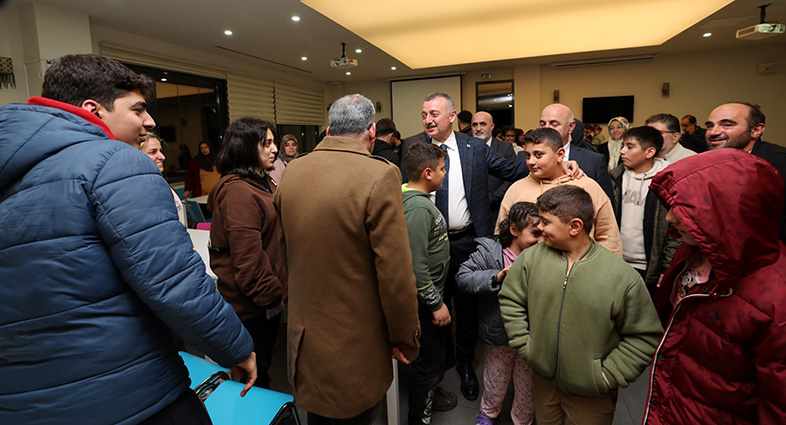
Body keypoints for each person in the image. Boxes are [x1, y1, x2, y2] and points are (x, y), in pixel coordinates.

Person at [0, 53, 256, 424]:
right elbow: (175, 282)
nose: (149, 121)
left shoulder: (14, 171)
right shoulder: (115, 162)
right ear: (93, 109)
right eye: (137, 109)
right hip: (130, 394)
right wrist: (235, 347)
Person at [274, 94, 420, 424]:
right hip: (355, 343)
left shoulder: (292, 171)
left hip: (304, 339)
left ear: (329, 130)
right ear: (372, 131)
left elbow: (285, 250)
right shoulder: (379, 175)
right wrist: (404, 337)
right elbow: (395, 275)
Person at [643, 148, 786, 424]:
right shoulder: (694, 251)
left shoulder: (776, 299)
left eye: (688, 211)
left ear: (727, 213)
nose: (670, 218)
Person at [499, 185, 662, 425]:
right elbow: (511, 299)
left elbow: (644, 336)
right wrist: (526, 346)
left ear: (574, 226)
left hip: (592, 397)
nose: (540, 227)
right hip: (544, 385)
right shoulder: (531, 259)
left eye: (546, 222)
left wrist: (605, 376)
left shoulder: (621, 277)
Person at [403, 92, 528, 401]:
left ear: (452, 116)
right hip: (429, 244)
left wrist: (559, 161)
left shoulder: (474, 147)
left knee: (468, 307)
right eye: (424, 114)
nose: (428, 120)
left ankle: (465, 363)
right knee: (434, 302)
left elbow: (513, 171)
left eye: (434, 114)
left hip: (467, 240)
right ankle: (441, 360)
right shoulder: (412, 146)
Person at [208, 117, 287, 390]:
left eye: (274, 142)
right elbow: (248, 264)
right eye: (267, 144)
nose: (274, 149)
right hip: (254, 309)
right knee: (253, 380)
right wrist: (274, 298)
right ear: (245, 148)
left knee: (260, 370)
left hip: (263, 305)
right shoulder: (239, 191)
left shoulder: (259, 181)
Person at [456, 202, 542, 425]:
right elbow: (463, 276)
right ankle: (487, 415)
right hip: (498, 334)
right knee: (495, 380)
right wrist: (496, 277)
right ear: (514, 230)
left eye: (543, 234)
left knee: (527, 386)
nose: (541, 240)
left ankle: (522, 420)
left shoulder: (544, 255)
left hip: (531, 337)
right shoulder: (490, 252)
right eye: (535, 233)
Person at [497, 128, 622, 257]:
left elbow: (609, 235)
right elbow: (502, 238)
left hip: (581, 267)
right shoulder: (516, 189)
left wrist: (602, 267)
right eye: (528, 155)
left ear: (560, 155)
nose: (531, 161)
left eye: (538, 155)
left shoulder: (587, 186)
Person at [401, 142, 456, 425]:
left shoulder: (415, 197)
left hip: (430, 295)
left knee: (435, 356)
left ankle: (430, 395)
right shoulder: (418, 209)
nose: (445, 173)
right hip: (424, 301)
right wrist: (435, 304)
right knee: (429, 362)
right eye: (442, 169)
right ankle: (418, 417)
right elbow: (416, 265)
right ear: (427, 173)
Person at [705, 101, 786, 244]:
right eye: (710, 126)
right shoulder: (704, 164)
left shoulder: (780, 162)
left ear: (756, 130)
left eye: (727, 125)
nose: (713, 132)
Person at [609, 126, 677, 294]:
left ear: (649, 152)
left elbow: (676, 231)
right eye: (623, 146)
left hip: (650, 267)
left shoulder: (668, 181)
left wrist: (667, 267)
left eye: (630, 147)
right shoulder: (614, 178)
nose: (622, 151)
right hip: (616, 261)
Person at [540, 104, 615, 202]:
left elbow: (606, 203)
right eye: (542, 124)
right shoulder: (528, 159)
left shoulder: (593, 161)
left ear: (571, 126)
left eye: (554, 124)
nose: (547, 129)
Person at [472, 111, 517, 225]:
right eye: (474, 125)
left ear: (492, 126)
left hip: (497, 208)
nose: (478, 128)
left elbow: (510, 178)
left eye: (483, 124)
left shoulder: (505, 148)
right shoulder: (465, 148)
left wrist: (491, 199)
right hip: (471, 210)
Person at [140, 132, 188, 227]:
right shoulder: (140, 190)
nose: (162, 157)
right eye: (153, 152)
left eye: (160, 151)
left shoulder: (161, 184)